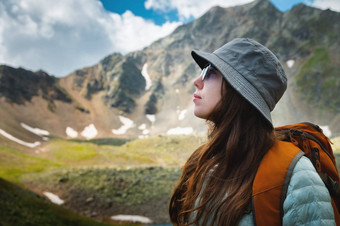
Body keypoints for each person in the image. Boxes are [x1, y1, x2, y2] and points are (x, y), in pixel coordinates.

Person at [169, 38, 335, 225]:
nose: (197, 81)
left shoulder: (297, 176)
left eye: (211, 72)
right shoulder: (201, 161)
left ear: (238, 90)